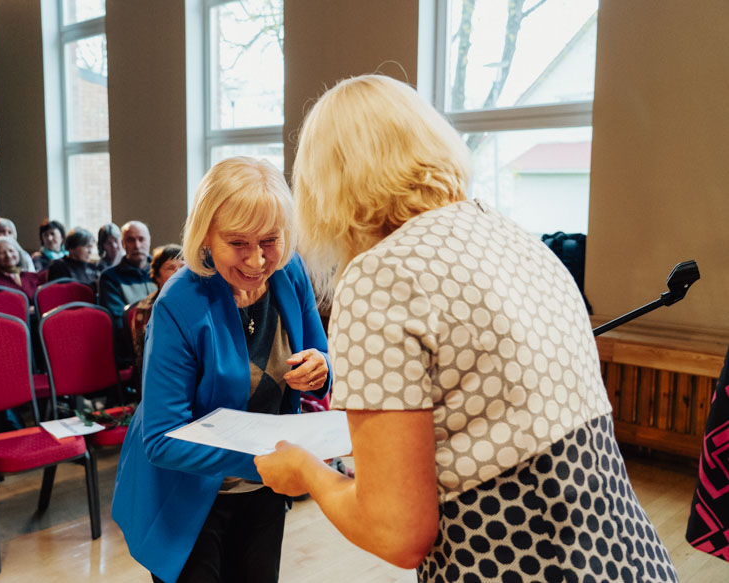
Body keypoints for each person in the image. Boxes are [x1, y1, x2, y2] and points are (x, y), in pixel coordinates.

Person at [253, 75, 679, 582]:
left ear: (327, 184)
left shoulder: (382, 274)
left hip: (514, 561)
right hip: (626, 555)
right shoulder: (511, 236)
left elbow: (396, 531)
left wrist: (305, 470)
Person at [111, 157, 331, 583]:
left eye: (270, 240)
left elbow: (319, 355)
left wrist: (321, 369)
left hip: (264, 490)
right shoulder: (179, 303)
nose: (257, 260)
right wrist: (265, 463)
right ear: (206, 236)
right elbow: (161, 439)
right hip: (187, 495)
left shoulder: (290, 271)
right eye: (238, 243)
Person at [98, 221, 156, 365]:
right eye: (131, 240)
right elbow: (120, 323)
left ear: (149, 241)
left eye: (141, 239)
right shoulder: (110, 278)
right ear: (123, 244)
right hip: (133, 349)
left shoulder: (161, 271)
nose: (137, 246)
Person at [129, 244, 184, 384]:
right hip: (160, 380)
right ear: (157, 275)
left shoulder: (194, 303)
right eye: (171, 268)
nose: (178, 272)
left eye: (183, 267)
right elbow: (151, 360)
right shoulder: (147, 310)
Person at [0, 236, 46, 301]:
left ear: (18, 252)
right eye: (1, 253)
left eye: (11, 251)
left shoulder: (30, 276)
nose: (8, 255)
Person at [46, 227, 100, 292]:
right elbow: (66, 292)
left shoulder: (92, 267)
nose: (90, 251)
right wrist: (94, 285)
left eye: (91, 247)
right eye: (87, 247)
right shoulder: (58, 266)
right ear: (72, 248)